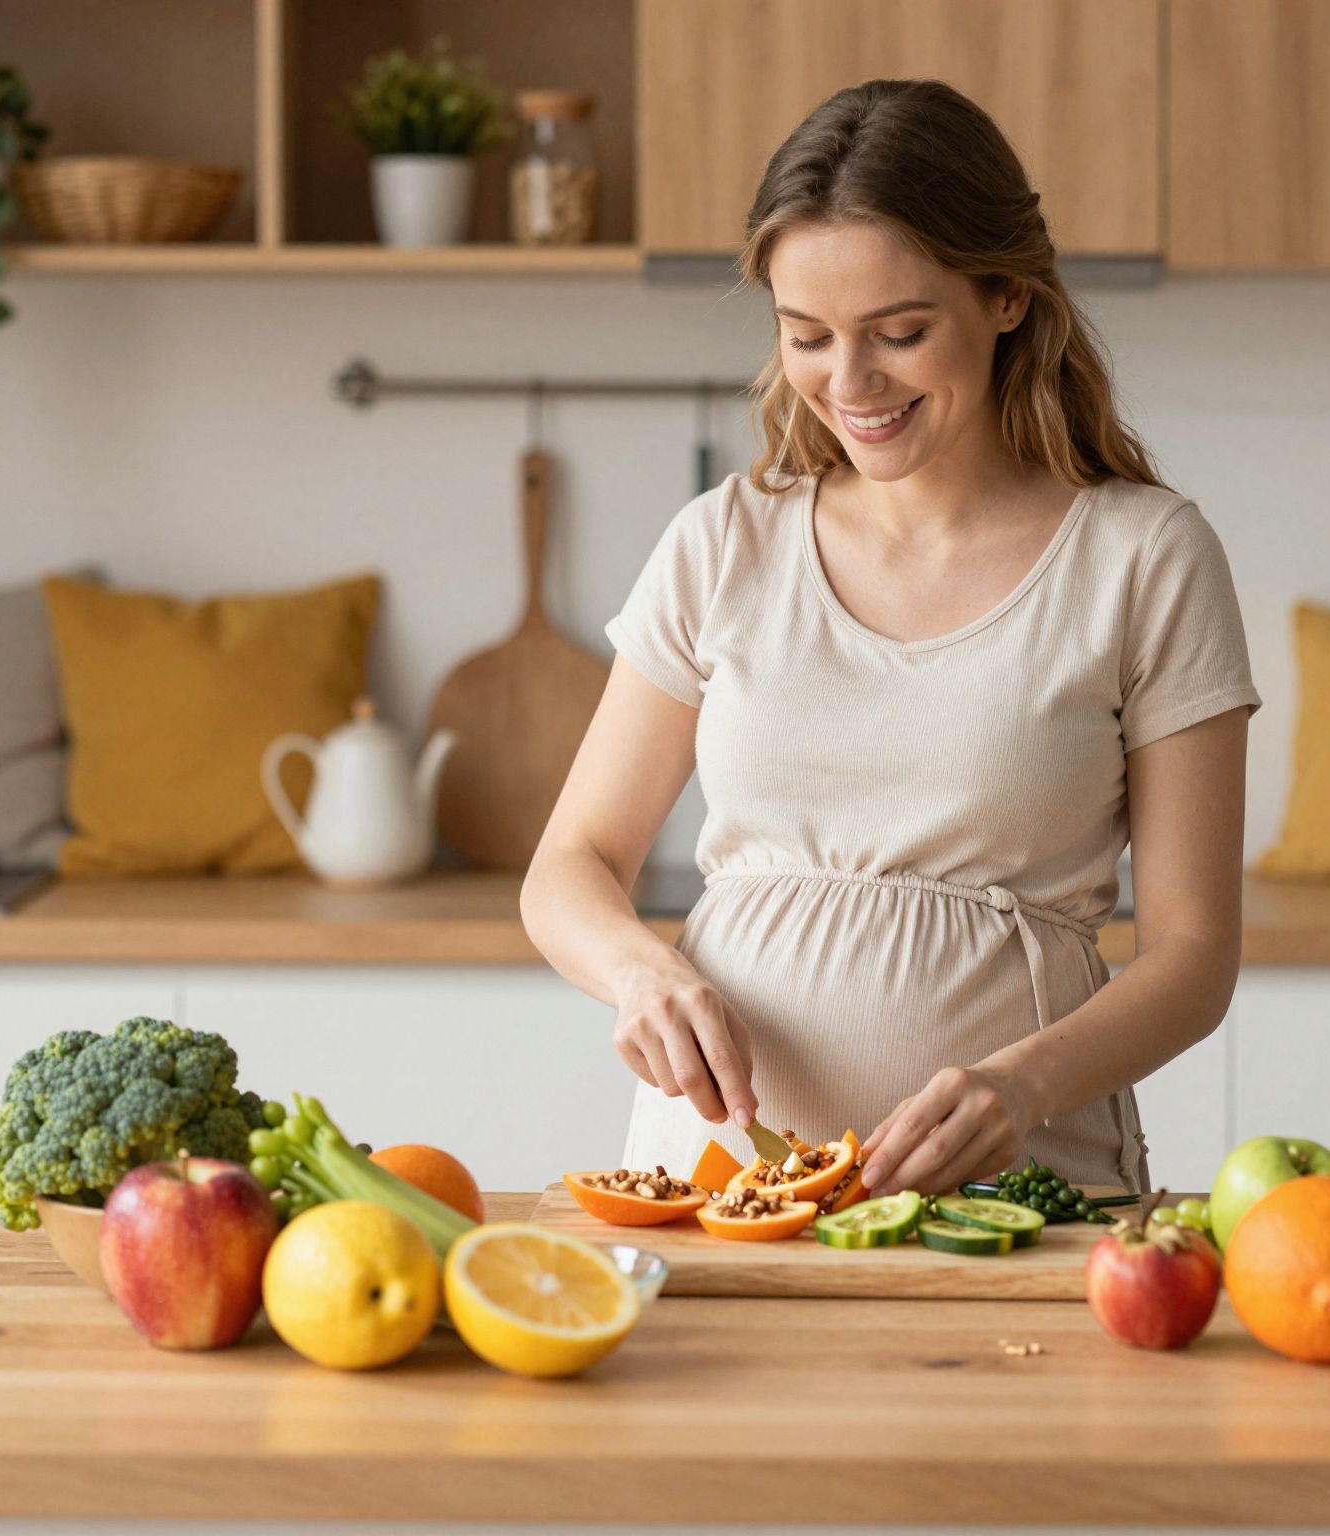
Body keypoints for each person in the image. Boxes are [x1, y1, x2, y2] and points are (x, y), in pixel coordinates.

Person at [522, 79, 1258, 1200]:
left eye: (899, 333)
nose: (849, 384)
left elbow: (1193, 959)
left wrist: (1016, 1087)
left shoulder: (1144, 558)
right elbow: (568, 868)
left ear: (1005, 294)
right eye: (805, 336)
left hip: (1022, 1199)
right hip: (722, 1192)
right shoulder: (724, 543)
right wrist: (640, 976)